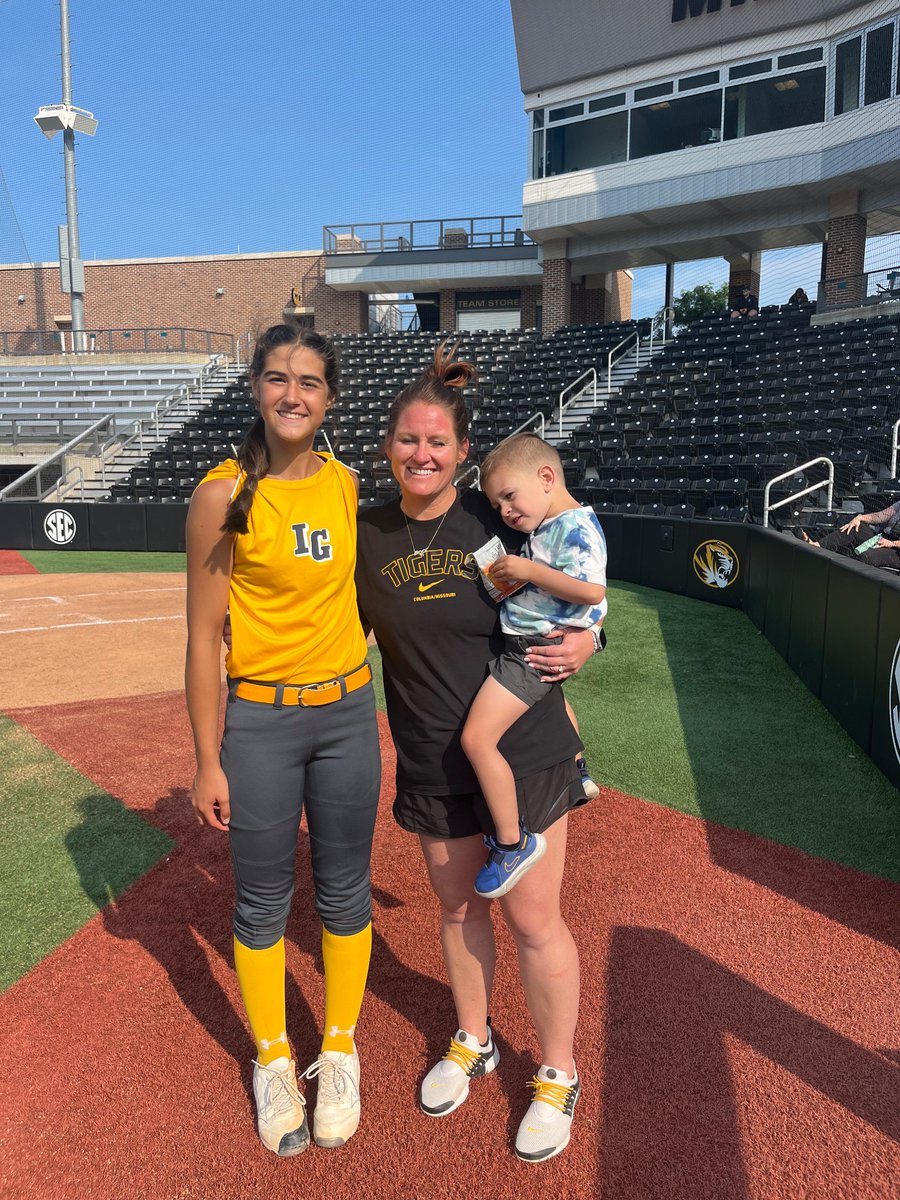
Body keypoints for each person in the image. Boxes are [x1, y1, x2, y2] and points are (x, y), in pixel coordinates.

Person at [355, 341, 604, 1163]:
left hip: (523, 752)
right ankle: (474, 1037)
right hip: (431, 756)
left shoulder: (495, 519)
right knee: (458, 909)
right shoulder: (368, 536)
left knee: (534, 920)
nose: (421, 455)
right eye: (406, 440)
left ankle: (559, 1071)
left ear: (463, 453)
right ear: (387, 445)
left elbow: (579, 577)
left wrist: (593, 641)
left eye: (438, 443)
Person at [185, 324, 381, 1157]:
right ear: (256, 390)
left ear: (330, 397)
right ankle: (273, 1056)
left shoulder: (348, 484)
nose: (291, 394)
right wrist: (205, 758)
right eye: (275, 378)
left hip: (346, 717)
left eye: (308, 381)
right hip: (261, 721)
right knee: (262, 903)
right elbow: (200, 639)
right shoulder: (221, 493)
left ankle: (337, 1047)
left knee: (345, 890)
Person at [460, 434, 607, 900]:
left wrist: (527, 572)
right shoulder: (548, 523)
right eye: (497, 502)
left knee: (477, 738)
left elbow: (592, 592)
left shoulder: (574, 526)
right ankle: (578, 769)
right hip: (531, 642)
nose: (505, 510)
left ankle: (512, 842)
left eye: (509, 496)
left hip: (531, 651)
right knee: (558, 702)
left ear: (546, 478)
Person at [798, 501, 900, 569]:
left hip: (896, 550)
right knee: (854, 528)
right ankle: (816, 546)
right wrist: (859, 518)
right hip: (883, 537)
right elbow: (880, 516)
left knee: (866, 556)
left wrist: (893, 543)